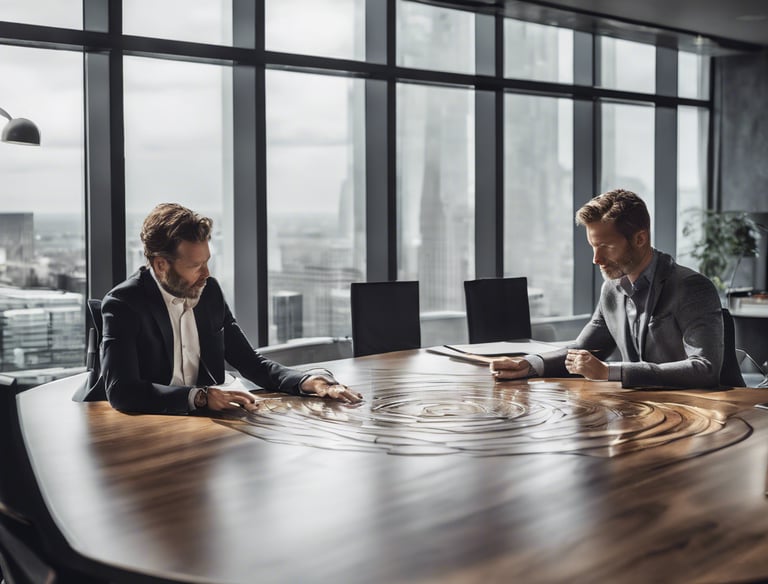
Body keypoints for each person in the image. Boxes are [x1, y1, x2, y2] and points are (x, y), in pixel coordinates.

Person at [75, 203, 362, 414]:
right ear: (161, 265)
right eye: (196, 266)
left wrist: (308, 381)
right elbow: (123, 392)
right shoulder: (124, 304)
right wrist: (198, 397)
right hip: (147, 425)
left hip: (204, 424)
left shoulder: (208, 292)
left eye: (207, 262)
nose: (207, 274)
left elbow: (250, 362)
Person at [492, 189, 724, 389]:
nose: (596, 259)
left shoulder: (692, 287)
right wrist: (530, 364)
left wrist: (610, 372)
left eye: (606, 246)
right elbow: (584, 350)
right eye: (593, 246)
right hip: (645, 410)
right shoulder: (611, 290)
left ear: (640, 238)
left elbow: (705, 368)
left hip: (713, 413)